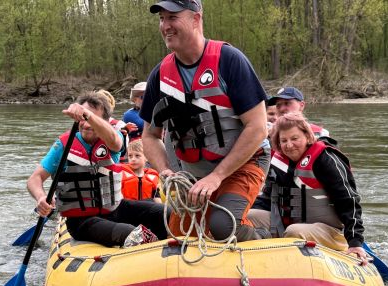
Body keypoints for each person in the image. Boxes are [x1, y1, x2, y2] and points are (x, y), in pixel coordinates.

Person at [139, 0, 270, 242]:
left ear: (196, 20)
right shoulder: (159, 75)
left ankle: (266, 236)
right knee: (178, 235)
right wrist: (165, 170)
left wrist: (217, 176)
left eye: (172, 18)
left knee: (222, 225)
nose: (165, 25)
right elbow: (149, 135)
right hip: (193, 175)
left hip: (245, 163)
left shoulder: (230, 60)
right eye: (161, 19)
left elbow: (258, 127)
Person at [26, 91, 167, 248]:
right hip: (81, 220)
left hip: (115, 209)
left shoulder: (114, 137)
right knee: (131, 233)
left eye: (92, 118)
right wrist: (40, 197)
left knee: (164, 213)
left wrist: (87, 115)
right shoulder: (63, 145)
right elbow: (35, 178)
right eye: (83, 118)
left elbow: (115, 142)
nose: (86, 124)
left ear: (106, 121)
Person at [247, 112, 369, 264]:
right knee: (246, 217)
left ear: (307, 136)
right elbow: (267, 200)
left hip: (328, 230)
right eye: (283, 140)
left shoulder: (326, 159)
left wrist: (355, 241)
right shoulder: (278, 163)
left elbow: (348, 201)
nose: (289, 145)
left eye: (294, 138)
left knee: (294, 231)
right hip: (285, 225)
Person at [266, 86, 335, 144]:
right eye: (278, 105)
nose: (281, 109)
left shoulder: (320, 134)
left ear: (301, 105)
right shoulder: (265, 132)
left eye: (287, 103)